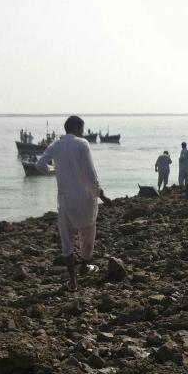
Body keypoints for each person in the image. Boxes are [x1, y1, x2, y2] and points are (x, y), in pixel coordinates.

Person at [36, 115, 111, 291]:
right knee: (88, 233)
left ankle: (73, 281)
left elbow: (39, 166)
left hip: (65, 201)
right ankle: (85, 265)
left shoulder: (55, 145)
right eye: (82, 129)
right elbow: (91, 175)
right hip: (85, 200)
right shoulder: (82, 144)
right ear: (77, 128)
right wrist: (101, 195)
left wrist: (54, 170)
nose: (83, 132)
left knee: (67, 241)